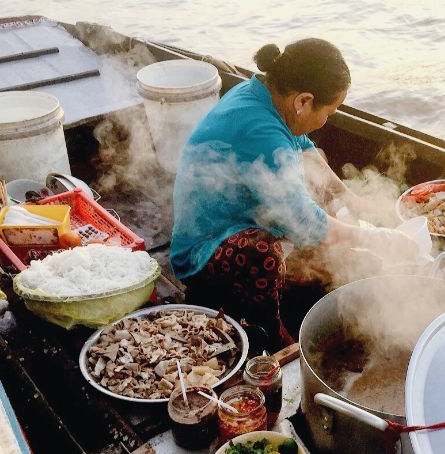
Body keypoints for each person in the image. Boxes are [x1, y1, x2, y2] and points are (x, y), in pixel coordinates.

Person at [170, 38, 415, 351]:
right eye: (331, 111)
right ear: (303, 101)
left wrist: (351, 200)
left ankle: (303, 276)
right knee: (263, 255)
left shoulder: (264, 95)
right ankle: (270, 335)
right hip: (204, 250)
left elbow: (307, 152)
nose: (329, 119)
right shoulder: (260, 129)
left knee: (316, 173)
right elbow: (305, 222)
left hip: (241, 212)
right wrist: (378, 239)